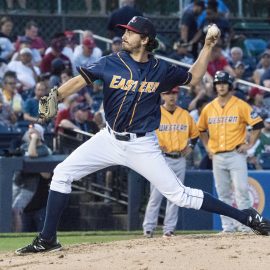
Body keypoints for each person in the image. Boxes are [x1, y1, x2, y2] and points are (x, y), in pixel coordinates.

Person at [16, 16, 270, 255]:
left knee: (179, 195)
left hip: (142, 144)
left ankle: (246, 216)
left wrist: (206, 46)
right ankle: (48, 239)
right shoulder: (110, 61)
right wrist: (57, 96)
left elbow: (193, 78)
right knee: (62, 173)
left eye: (131, 32)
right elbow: (81, 79)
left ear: (145, 39)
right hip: (109, 138)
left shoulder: (160, 69)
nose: (125, 35)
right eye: (125, 31)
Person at [197, 71, 264, 233]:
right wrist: (207, 147)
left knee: (241, 190)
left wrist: (249, 144)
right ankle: (228, 227)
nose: (220, 86)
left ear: (230, 85)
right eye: (218, 83)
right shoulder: (209, 107)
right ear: (215, 86)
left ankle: (246, 226)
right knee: (223, 194)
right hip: (218, 155)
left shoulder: (240, 105)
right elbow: (201, 129)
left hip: (236, 154)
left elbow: (257, 124)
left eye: (224, 83)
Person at [143, 87, 199, 238]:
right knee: (156, 195)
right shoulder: (155, 113)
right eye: (168, 93)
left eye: (174, 93)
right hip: (160, 159)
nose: (171, 96)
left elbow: (195, 134)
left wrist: (191, 146)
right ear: (162, 95)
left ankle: (169, 229)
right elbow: (144, 133)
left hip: (179, 158)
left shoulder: (185, 114)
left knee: (176, 195)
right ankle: (149, 228)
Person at [12, 124, 52, 232]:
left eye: (34, 131)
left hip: (38, 198)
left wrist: (34, 139)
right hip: (22, 190)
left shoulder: (45, 149)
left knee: (42, 233)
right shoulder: (23, 147)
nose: (31, 132)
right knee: (17, 215)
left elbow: (32, 154)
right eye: (30, 131)